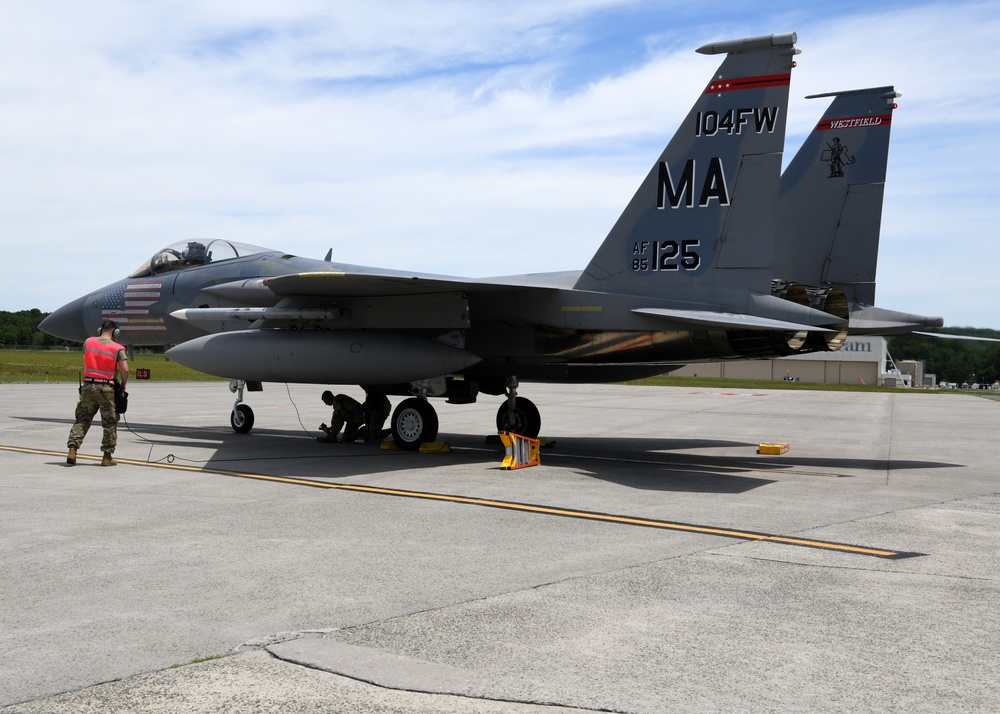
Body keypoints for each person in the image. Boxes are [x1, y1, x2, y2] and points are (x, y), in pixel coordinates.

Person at [66, 319, 129, 467]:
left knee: (82, 419)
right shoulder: (118, 348)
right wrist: (123, 384)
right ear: (115, 332)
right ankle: (107, 457)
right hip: (106, 388)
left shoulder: (88, 342)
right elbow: (125, 369)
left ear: (100, 330)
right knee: (109, 423)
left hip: (88, 386)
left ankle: (72, 450)